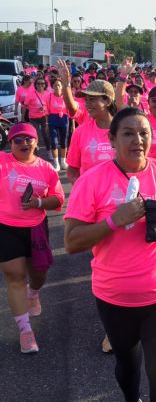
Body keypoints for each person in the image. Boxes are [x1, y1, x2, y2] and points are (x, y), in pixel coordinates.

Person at [64, 107, 156, 402]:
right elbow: (71, 241)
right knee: (128, 367)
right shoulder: (91, 181)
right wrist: (113, 220)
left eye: (144, 133)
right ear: (113, 139)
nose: (138, 140)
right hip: (114, 298)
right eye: (128, 133)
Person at [0, 123, 65, 353]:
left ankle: (33, 293)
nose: (24, 144)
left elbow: (58, 200)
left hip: (36, 227)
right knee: (15, 276)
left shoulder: (46, 168)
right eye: (18, 140)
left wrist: (38, 202)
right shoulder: (2, 161)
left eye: (28, 139)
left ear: (36, 142)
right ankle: (25, 331)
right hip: (5, 227)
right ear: (10, 144)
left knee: (39, 274)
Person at [45, 78, 69, 171]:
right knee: (54, 141)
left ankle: (63, 161)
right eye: (55, 85)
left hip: (64, 119)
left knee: (64, 141)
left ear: (62, 86)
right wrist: (47, 123)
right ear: (52, 87)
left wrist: (73, 125)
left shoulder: (66, 96)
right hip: (52, 119)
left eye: (59, 85)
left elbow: (70, 110)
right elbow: (46, 110)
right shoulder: (49, 96)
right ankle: (56, 163)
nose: (57, 87)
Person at [24, 76, 51, 159]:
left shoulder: (48, 94)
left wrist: (45, 108)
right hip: (33, 117)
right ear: (35, 85)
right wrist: (34, 109)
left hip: (44, 117)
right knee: (35, 135)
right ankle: (35, 153)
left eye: (42, 84)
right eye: (38, 84)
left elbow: (50, 106)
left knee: (46, 135)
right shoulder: (31, 94)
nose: (40, 85)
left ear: (45, 85)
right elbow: (25, 105)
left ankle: (49, 152)